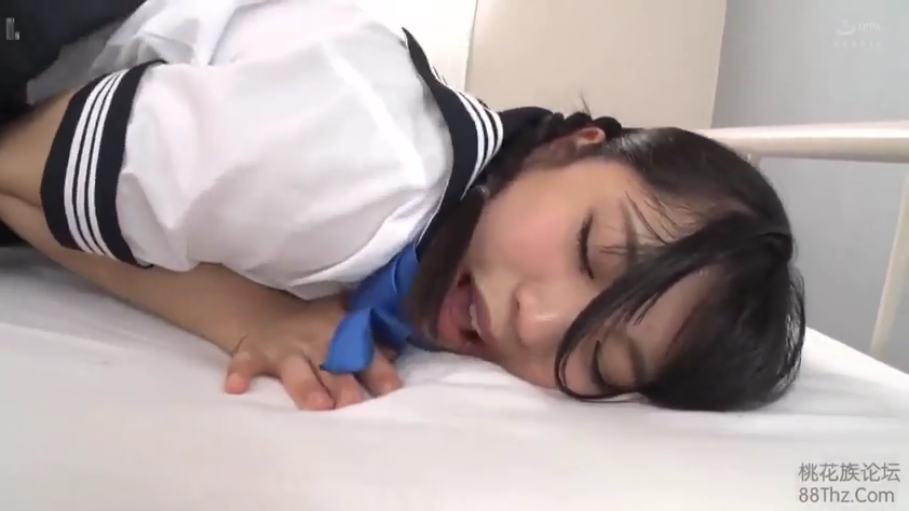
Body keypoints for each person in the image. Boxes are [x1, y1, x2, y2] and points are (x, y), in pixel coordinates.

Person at [0, 0, 805, 412]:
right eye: (589, 250)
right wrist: (250, 316)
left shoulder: (435, 185)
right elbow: (12, 161)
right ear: (573, 145)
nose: (535, 322)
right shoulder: (367, 177)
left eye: (596, 358)